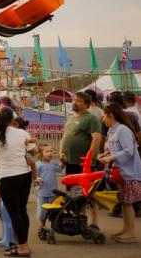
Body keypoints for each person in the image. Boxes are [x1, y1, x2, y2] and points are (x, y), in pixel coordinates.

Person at [0, 107, 37, 257]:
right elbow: (33, 151)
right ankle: (22, 243)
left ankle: (22, 247)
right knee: (22, 211)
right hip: (24, 175)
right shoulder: (22, 133)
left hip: (6, 177)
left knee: (14, 213)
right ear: (12, 120)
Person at [97, 102, 141, 243]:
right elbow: (113, 149)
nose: (103, 119)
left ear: (111, 116)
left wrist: (110, 157)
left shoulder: (123, 130)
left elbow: (129, 151)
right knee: (123, 201)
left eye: (104, 116)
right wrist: (104, 155)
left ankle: (131, 232)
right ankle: (125, 229)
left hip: (128, 172)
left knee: (127, 202)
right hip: (119, 171)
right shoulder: (112, 130)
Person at [60, 91, 102, 227]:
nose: (75, 102)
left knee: (88, 194)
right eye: (74, 100)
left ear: (86, 104)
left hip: (84, 164)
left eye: (79, 101)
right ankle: (79, 221)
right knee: (75, 193)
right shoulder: (70, 118)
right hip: (71, 162)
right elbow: (64, 136)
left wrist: (90, 156)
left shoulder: (91, 119)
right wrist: (61, 151)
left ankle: (94, 223)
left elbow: (97, 138)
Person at [34, 144, 63, 228]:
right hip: (42, 193)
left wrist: (63, 161)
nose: (50, 153)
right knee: (42, 211)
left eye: (51, 151)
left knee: (54, 210)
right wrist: (38, 180)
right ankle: (42, 225)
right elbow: (35, 176)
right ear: (41, 154)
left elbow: (59, 169)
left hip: (53, 192)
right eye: (46, 151)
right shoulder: (38, 164)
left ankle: (54, 225)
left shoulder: (53, 163)